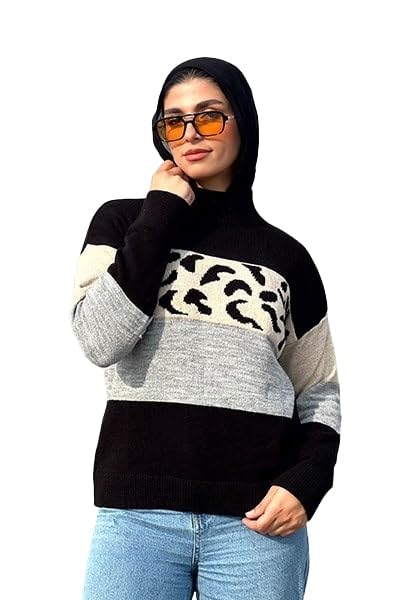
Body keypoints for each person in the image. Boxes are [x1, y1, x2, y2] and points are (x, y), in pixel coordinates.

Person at [70, 56, 341, 600]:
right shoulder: (124, 223)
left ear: (243, 122)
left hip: (256, 524)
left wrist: (306, 482)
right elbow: (99, 339)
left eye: (209, 116)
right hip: (136, 520)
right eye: (174, 122)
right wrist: (160, 212)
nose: (190, 133)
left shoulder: (288, 259)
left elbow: (318, 391)